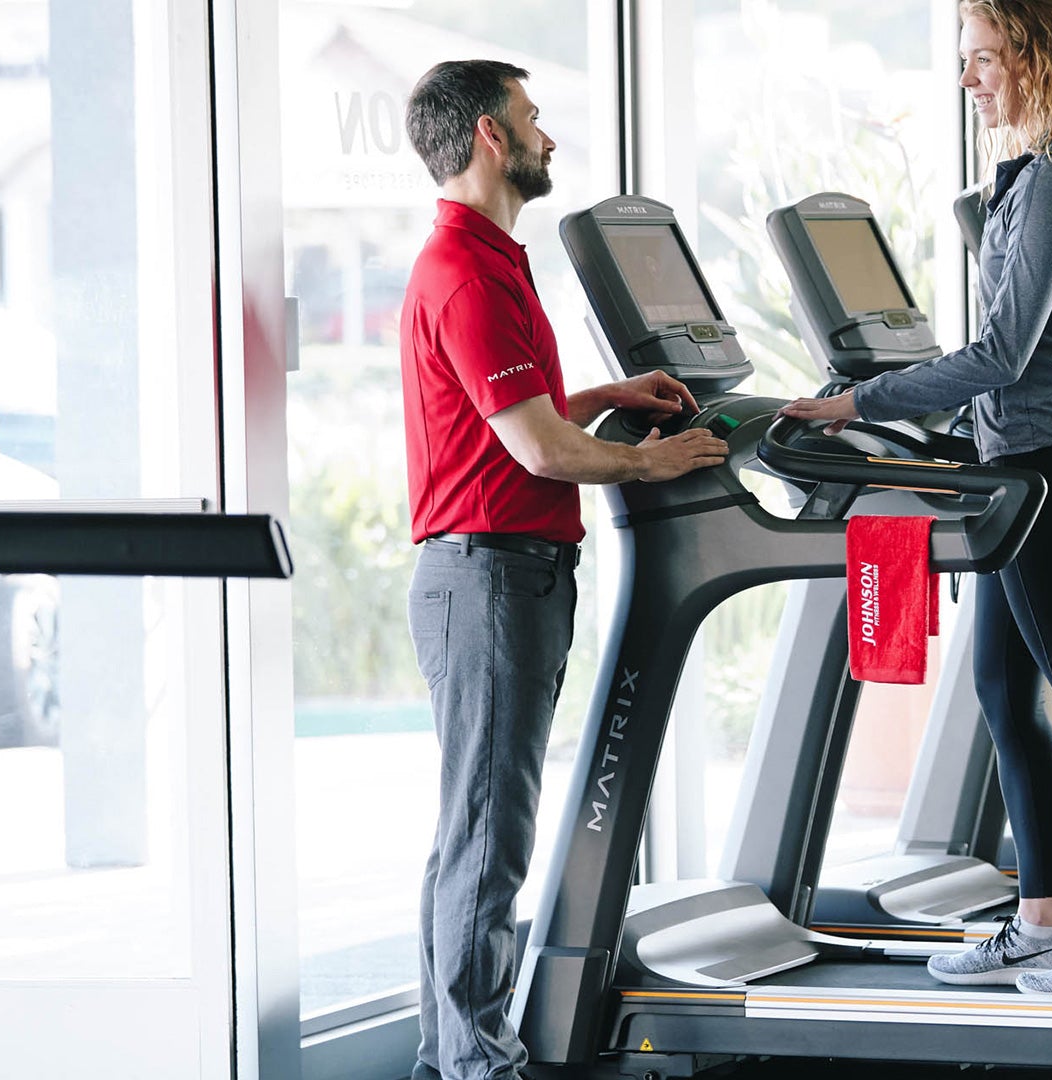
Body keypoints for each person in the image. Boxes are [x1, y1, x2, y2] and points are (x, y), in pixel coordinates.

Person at [780, 0, 1052, 999]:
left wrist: (856, 402)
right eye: (964, 60)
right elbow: (1019, 357)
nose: (969, 78)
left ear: (1035, 59)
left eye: (984, 59)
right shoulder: (1042, 175)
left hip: (1043, 470)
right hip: (1025, 459)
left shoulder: (1051, 185)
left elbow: (1001, 354)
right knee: (1006, 695)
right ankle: (1041, 922)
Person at [398, 60, 727, 1080]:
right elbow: (537, 454)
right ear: (491, 138)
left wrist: (605, 394)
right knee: (487, 842)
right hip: (490, 577)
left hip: (509, 572)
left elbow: (521, 424)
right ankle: (476, 1066)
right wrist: (649, 458)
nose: (549, 137)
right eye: (533, 120)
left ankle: (448, 1058)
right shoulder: (464, 271)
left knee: (474, 834)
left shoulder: (492, 261)